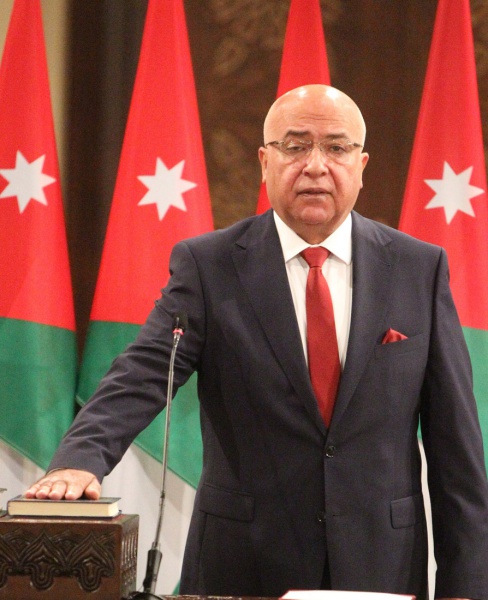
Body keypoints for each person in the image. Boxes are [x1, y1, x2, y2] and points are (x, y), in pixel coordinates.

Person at [26, 85, 488, 599]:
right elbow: (144, 371)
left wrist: (467, 586)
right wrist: (80, 459)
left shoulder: (418, 268)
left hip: (381, 565)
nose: (315, 166)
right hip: (242, 564)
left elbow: (456, 445)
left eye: (336, 148)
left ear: (361, 166)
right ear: (265, 162)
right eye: (295, 146)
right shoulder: (209, 265)